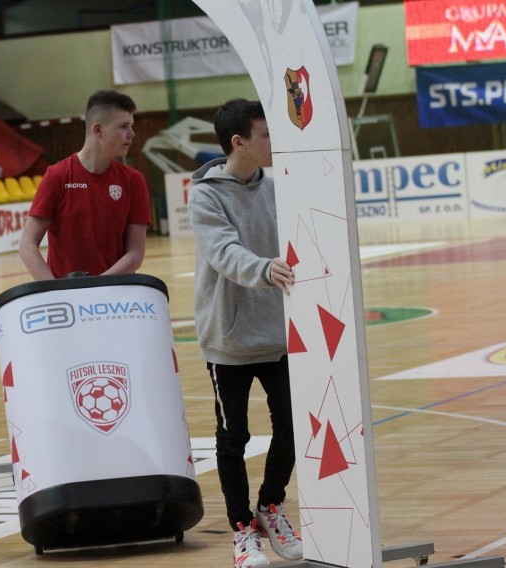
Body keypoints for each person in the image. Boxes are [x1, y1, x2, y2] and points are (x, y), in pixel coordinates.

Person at [188, 99, 302, 567]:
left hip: (278, 336)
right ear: (239, 142)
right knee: (232, 437)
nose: (274, 142)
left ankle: (270, 506)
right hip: (228, 339)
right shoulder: (206, 195)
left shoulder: (278, 189)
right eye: (266, 135)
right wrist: (265, 268)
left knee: (292, 428)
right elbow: (224, 253)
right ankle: (241, 530)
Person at [19, 89, 151, 280]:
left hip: (112, 296)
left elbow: (135, 254)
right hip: (66, 299)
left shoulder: (133, 181)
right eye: (123, 126)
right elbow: (27, 244)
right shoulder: (57, 176)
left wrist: (97, 287)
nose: (132, 134)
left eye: (131, 125)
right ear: (98, 130)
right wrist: (54, 290)